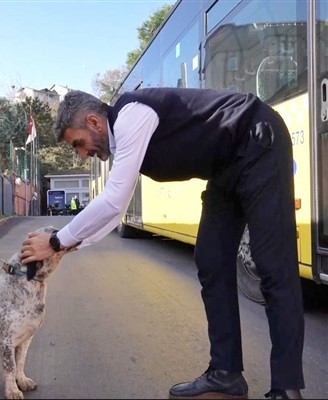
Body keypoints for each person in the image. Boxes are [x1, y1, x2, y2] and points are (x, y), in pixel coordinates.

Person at [20, 89, 304, 400]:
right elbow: (117, 211)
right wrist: (62, 245)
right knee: (211, 261)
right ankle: (226, 375)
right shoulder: (124, 138)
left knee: (274, 267)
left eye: (79, 143)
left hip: (256, 139)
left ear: (93, 121)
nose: (83, 153)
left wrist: (57, 241)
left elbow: (114, 201)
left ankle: (286, 388)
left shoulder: (131, 117)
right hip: (224, 167)